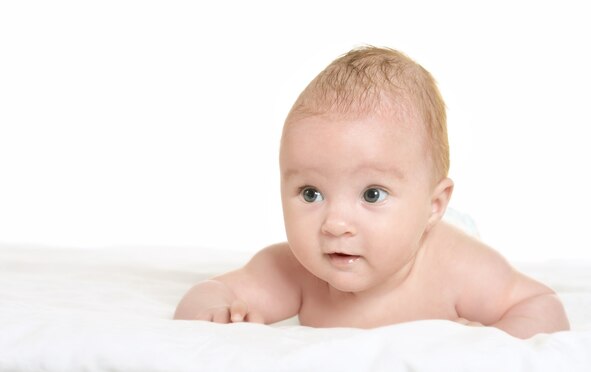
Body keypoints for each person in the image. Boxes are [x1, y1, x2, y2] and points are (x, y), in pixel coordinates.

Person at [174, 46, 570, 339]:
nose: (335, 224)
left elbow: (539, 305)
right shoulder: (295, 269)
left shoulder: (459, 268)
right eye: (311, 193)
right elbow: (211, 292)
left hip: (440, 236)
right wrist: (217, 313)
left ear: (433, 205)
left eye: (372, 194)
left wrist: (495, 344)